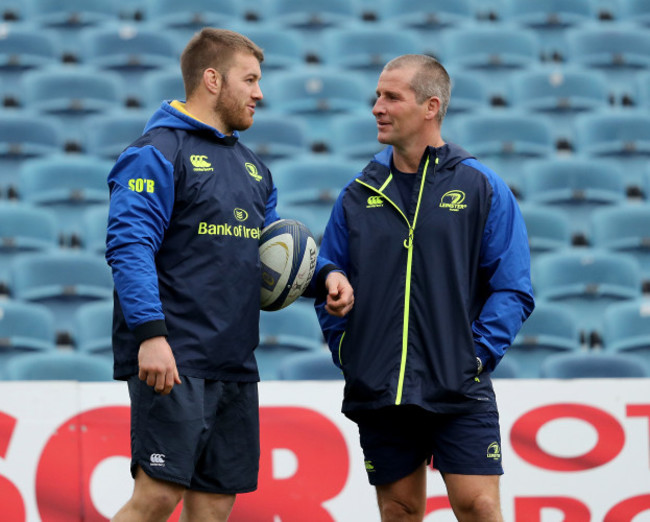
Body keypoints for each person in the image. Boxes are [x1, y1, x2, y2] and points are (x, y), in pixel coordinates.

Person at [106, 28, 353, 522]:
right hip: (174, 357)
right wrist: (151, 337)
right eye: (251, 79)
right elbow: (129, 245)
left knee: (214, 507)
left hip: (234, 362)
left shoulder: (255, 169)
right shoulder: (156, 151)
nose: (260, 93)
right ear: (212, 79)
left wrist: (324, 276)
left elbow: (268, 253)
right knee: (156, 497)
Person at [315, 54, 534, 521]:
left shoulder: (482, 186)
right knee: (399, 510)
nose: (377, 106)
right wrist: (347, 346)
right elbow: (328, 272)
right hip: (380, 386)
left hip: (459, 383)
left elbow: (512, 288)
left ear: (431, 106)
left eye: (391, 96)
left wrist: (474, 356)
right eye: (377, 95)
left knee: (478, 507)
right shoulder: (358, 192)